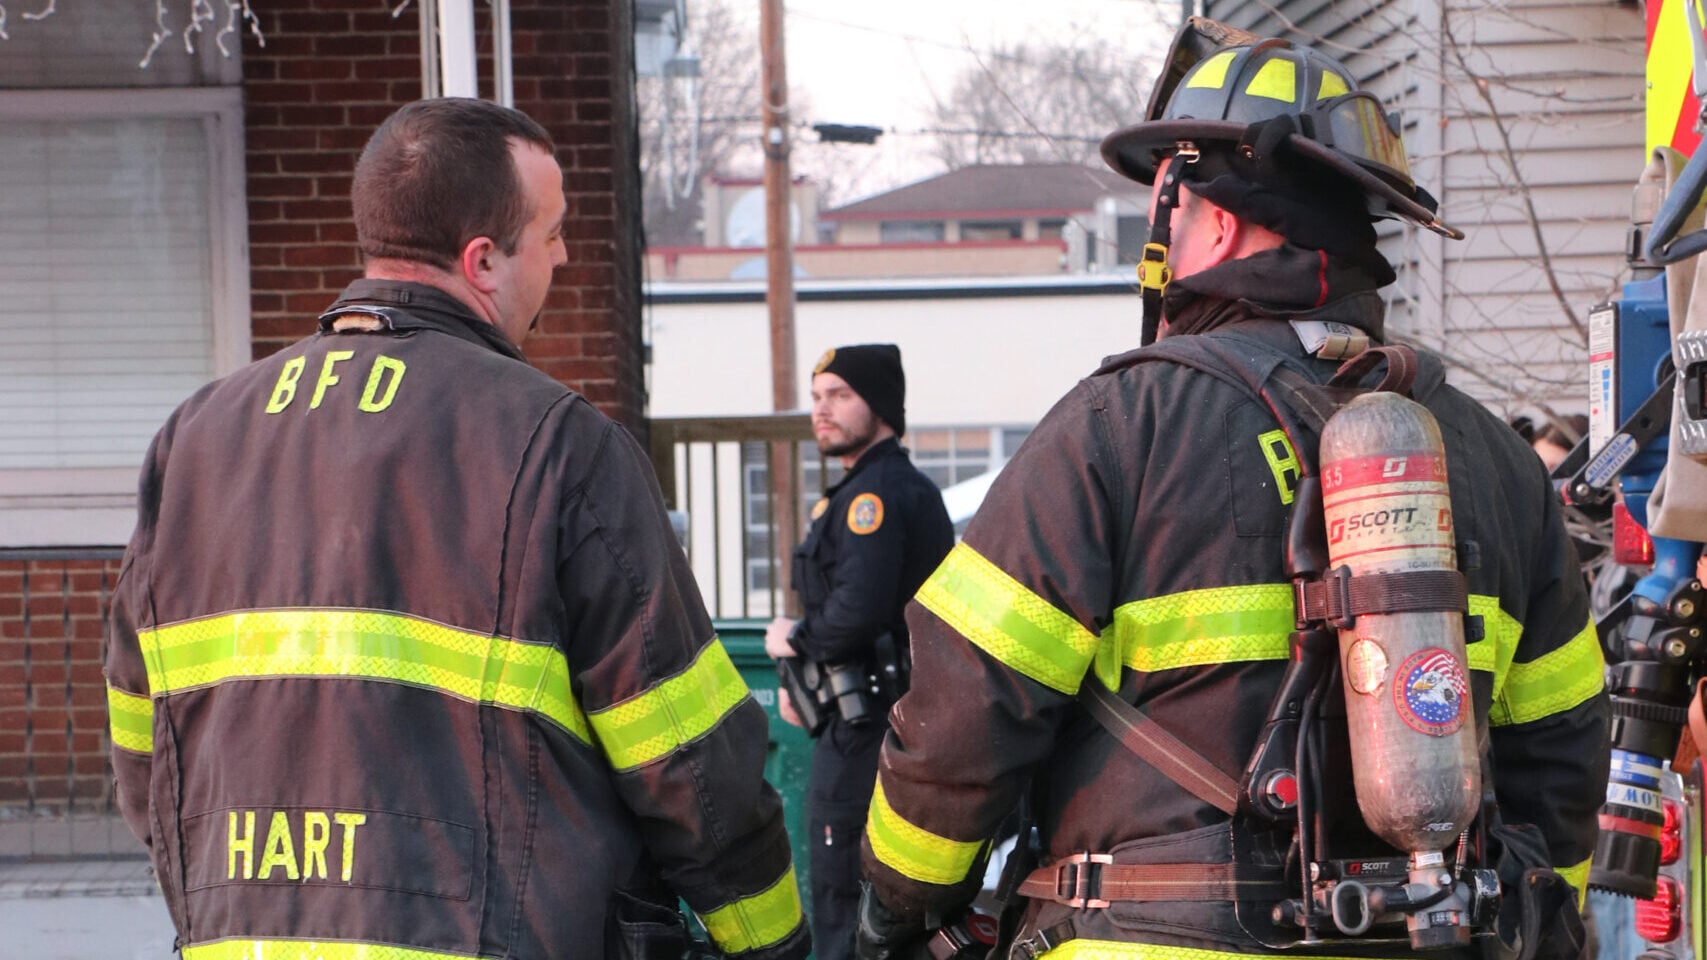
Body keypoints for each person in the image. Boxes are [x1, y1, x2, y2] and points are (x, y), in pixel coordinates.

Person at [856, 22, 1608, 960]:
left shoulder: (1117, 427)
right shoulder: (1492, 457)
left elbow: (963, 715)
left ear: (1216, 217)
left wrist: (897, 903)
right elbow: (1564, 753)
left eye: (1167, 210)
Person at [102, 98, 808, 960]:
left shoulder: (195, 441)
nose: (562, 255)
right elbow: (689, 759)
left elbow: (145, 739)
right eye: (549, 233)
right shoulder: (558, 446)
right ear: (482, 260)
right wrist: (770, 939)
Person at [763, 344, 954, 960]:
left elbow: (861, 607)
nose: (822, 410)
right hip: (878, 722)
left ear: (881, 406)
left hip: (870, 726)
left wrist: (794, 639)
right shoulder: (865, 491)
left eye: (839, 396)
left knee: (844, 889)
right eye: (817, 397)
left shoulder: (877, 497)